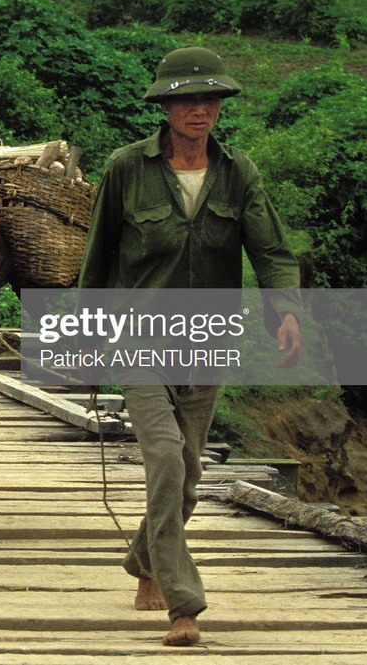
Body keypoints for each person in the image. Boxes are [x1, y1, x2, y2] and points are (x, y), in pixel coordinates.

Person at [77, 47, 302, 648]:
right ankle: (185, 605)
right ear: (167, 107)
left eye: (210, 100)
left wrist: (286, 312)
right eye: (187, 99)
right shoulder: (127, 168)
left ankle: (144, 560)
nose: (200, 109)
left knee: (192, 473)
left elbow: (272, 251)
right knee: (168, 457)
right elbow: (97, 259)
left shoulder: (238, 173)